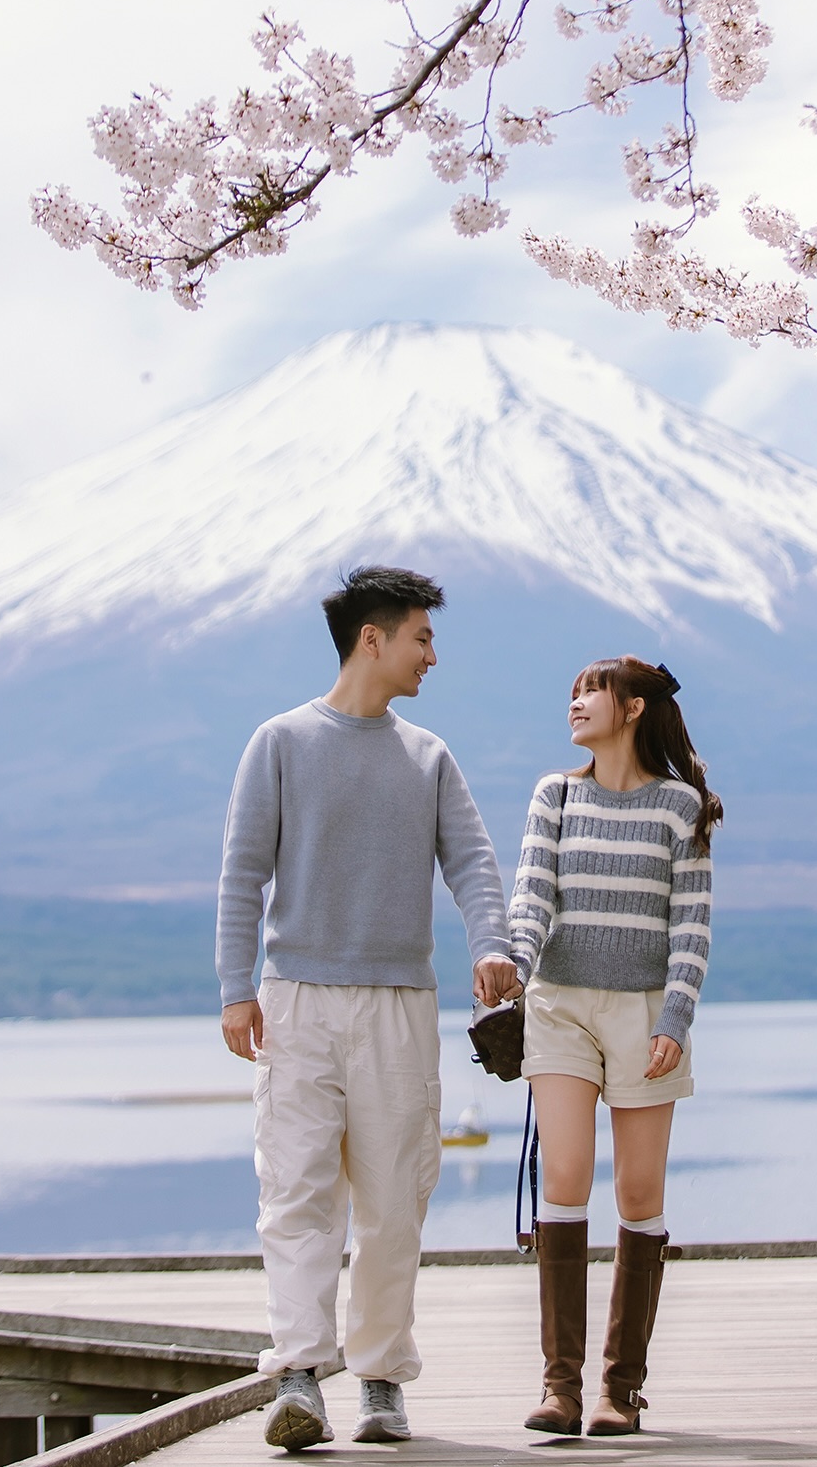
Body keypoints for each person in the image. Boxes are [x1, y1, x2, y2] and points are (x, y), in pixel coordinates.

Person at [216, 565, 519, 1453]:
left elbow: (472, 859)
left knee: (395, 1199)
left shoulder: (427, 755)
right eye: (422, 637)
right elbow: (242, 873)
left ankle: (382, 1380)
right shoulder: (278, 742)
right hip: (296, 1001)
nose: (433, 655)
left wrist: (491, 944)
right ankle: (302, 1376)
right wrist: (237, 989)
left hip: (399, 1001)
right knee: (297, 1191)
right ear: (373, 639)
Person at [508, 655, 718, 1438]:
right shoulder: (554, 795)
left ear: (631, 708)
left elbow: (691, 927)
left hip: (643, 1016)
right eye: (570, 693)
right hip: (558, 1007)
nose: (574, 704)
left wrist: (674, 1021)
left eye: (588, 692)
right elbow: (532, 894)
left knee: (638, 1194)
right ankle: (560, 1387)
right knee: (563, 1175)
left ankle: (619, 1390)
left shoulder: (681, 806)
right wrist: (512, 963)